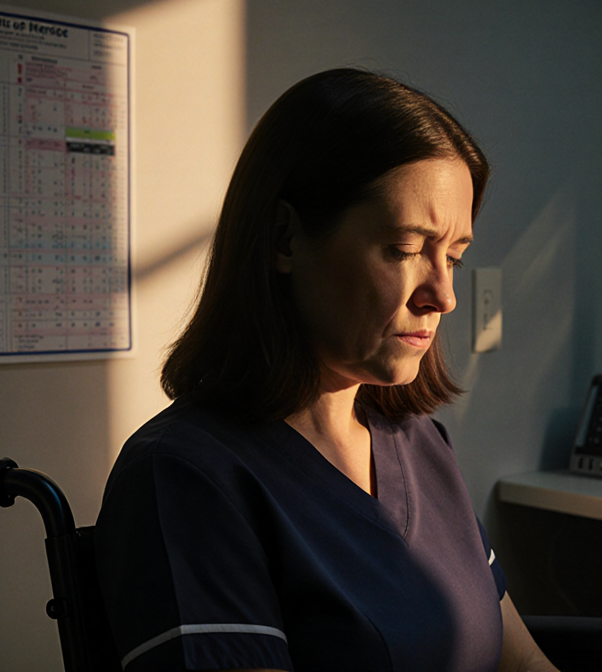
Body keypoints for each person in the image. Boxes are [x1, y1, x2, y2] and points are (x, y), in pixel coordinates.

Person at [94, 68, 557, 672]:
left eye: (455, 257)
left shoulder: (420, 445)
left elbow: (517, 659)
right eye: (406, 249)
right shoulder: (187, 476)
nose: (442, 296)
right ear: (286, 238)